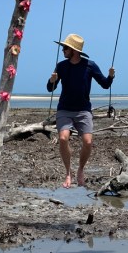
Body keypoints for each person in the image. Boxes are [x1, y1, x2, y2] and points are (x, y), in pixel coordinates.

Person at [46, 33, 115, 188]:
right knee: (63, 139)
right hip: (64, 109)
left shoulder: (90, 65)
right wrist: (51, 81)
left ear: (74, 50)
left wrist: (111, 76)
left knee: (88, 142)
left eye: (65, 48)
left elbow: (105, 84)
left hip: (83, 110)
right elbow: (50, 88)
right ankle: (68, 173)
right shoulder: (61, 66)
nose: (63, 50)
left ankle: (80, 170)